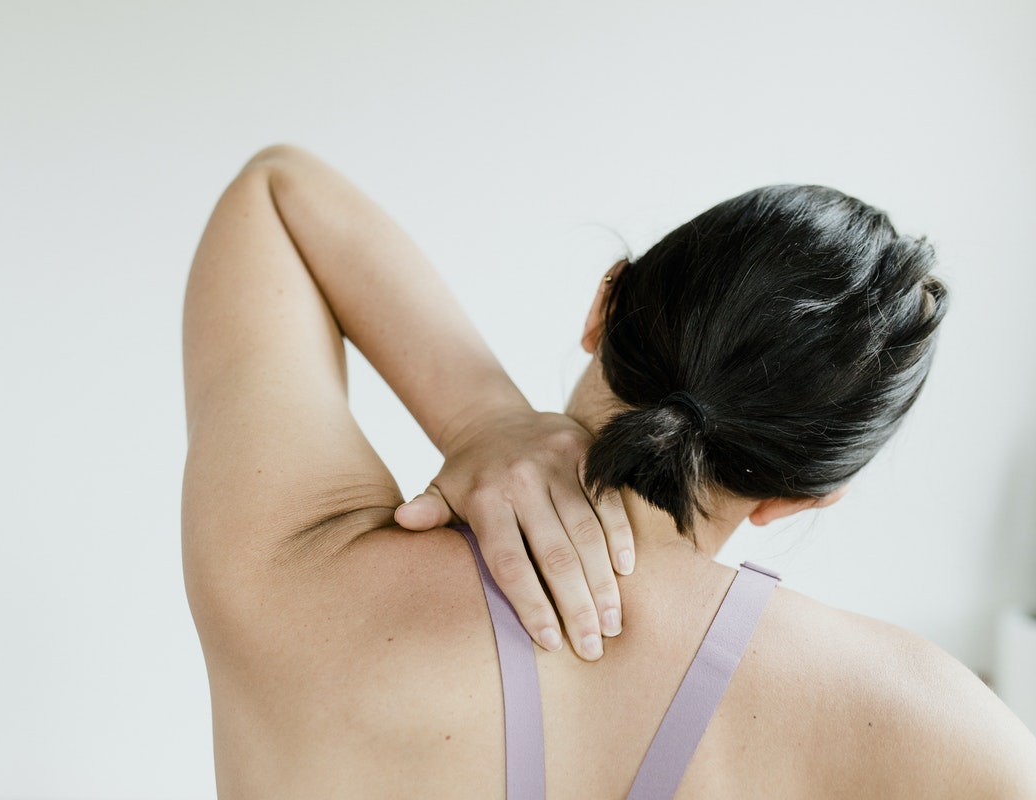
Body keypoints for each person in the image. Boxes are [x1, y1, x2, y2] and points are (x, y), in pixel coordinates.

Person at [180, 145, 1036, 798]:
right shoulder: (920, 718)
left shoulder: (301, 571)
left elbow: (277, 191)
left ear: (604, 304)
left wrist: (483, 416)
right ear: (808, 494)